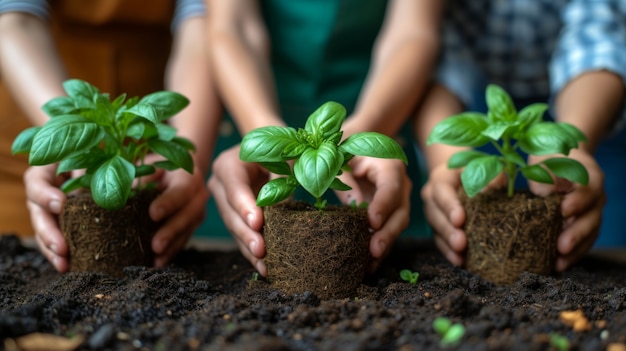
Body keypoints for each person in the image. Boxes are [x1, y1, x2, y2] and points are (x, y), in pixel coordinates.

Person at [205, 0, 443, 274]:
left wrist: (367, 127)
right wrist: (261, 131)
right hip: (250, 118)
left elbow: (412, 30)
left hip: (380, 114)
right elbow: (234, 25)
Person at [0, 0, 222, 271]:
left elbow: (199, 23)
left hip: (140, 137)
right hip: (30, 132)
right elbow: (16, 19)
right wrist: (71, 143)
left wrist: (188, 154)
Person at [416, 0, 626, 272]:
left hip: (592, 106)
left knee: (596, 242)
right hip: (477, 106)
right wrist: (446, 157)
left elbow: (597, 35)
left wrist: (575, 143)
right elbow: (437, 50)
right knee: (474, 192)